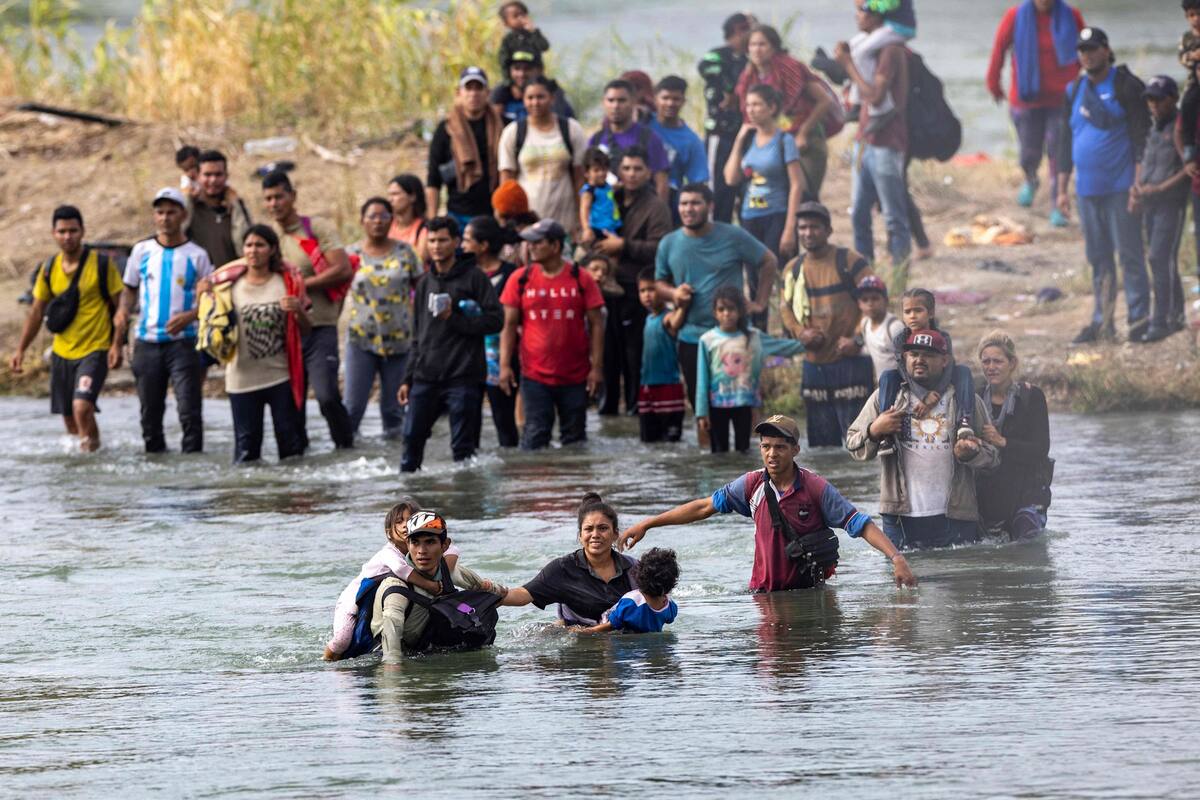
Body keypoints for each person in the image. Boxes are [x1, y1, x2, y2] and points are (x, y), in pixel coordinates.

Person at [620, 414, 918, 591]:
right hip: (763, 594)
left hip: (809, 595)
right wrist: (649, 523)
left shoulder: (815, 488)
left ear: (795, 449)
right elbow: (703, 507)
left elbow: (860, 524)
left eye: (779, 447)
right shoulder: (751, 485)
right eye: (765, 447)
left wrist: (897, 559)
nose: (772, 454)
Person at [846, 329, 999, 550]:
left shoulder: (966, 400)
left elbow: (994, 457)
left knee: (963, 572)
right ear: (904, 358)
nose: (919, 359)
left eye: (928, 355)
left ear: (945, 361)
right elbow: (853, 446)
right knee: (901, 572)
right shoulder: (886, 397)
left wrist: (972, 453)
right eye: (914, 354)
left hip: (957, 516)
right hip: (900, 518)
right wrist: (874, 430)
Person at [1056, 27, 1152, 344]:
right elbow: (1064, 142)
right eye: (1082, 50)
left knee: (1130, 256)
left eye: (1093, 48)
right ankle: (1103, 322)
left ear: (1106, 50)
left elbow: (1142, 138)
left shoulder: (1126, 86)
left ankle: (1139, 322)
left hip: (1121, 189)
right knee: (1098, 259)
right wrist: (1061, 190)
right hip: (1086, 191)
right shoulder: (1074, 90)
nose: (1086, 55)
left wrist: (1138, 185)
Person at [654, 183, 777, 418]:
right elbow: (659, 283)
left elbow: (768, 260)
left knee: (744, 409)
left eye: (695, 203)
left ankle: (749, 442)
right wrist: (674, 293)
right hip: (692, 337)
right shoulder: (669, 243)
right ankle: (707, 443)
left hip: (734, 337)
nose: (688, 209)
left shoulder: (732, 235)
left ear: (710, 206)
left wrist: (760, 302)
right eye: (683, 203)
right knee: (702, 410)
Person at [10, 206, 125, 452]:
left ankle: (90, 457)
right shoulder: (49, 268)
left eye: (73, 231)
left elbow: (120, 309)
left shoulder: (102, 264)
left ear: (82, 231)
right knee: (70, 418)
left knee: (82, 407)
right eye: (62, 231)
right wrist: (20, 350)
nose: (68, 236)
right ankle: (90, 454)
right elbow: (36, 312)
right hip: (62, 351)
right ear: (53, 234)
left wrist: (117, 344)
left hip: (95, 349)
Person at [399, 217, 503, 472]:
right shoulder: (424, 283)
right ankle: (408, 496)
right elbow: (417, 336)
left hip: (463, 376)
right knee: (410, 442)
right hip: (425, 376)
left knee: (463, 451)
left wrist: (454, 318)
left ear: (456, 242)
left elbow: (496, 320)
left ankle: (466, 496)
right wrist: (407, 378)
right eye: (432, 240)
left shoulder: (475, 278)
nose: (436, 246)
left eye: (443, 240)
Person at [262, 170, 355, 449]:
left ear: (293, 196)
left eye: (279, 197)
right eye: (268, 198)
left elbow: (343, 269)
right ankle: (298, 461)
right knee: (293, 403)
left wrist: (301, 286)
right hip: (284, 331)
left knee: (327, 396)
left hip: (320, 327)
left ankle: (346, 450)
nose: (274, 204)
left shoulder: (316, 228)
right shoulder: (268, 237)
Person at [118, 187, 213, 454]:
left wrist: (190, 315)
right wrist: (122, 316)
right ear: (154, 216)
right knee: (150, 415)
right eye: (160, 212)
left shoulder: (197, 255)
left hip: (184, 342)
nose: (165, 218)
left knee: (189, 411)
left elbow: (211, 298)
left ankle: (192, 465)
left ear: (183, 215)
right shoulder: (142, 251)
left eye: (171, 212)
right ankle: (156, 466)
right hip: (147, 342)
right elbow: (129, 289)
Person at [498, 219, 605, 450]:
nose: (531, 247)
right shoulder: (519, 279)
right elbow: (508, 325)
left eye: (537, 243)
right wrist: (504, 366)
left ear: (556, 246)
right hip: (534, 375)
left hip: (575, 376)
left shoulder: (581, 278)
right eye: (529, 243)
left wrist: (596, 368)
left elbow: (597, 324)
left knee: (575, 441)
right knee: (534, 439)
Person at [779, 202, 875, 447]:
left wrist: (857, 340)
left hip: (851, 361)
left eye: (814, 227)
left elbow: (875, 303)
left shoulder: (849, 261)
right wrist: (800, 333)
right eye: (802, 228)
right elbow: (785, 308)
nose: (808, 233)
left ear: (828, 231)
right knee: (822, 447)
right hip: (815, 364)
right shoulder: (793, 269)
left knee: (859, 442)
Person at [215, 225, 310, 463]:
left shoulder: (287, 282)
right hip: (241, 379)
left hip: (280, 377)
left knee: (291, 450)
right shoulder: (228, 286)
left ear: (272, 249)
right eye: (249, 245)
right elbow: (212, 324)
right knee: (246, 454)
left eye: (260, 245)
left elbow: (306, 331)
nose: (253, 250)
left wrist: (298, 310)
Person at [986, 0, 1085, 224]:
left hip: (1062, 99)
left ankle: (1058, 204)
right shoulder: (1014, 16)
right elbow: (999, 50)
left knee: (1058, 153)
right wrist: (994, 83)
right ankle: (1031, 179)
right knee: (1028, 152)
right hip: (1026, 99)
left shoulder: (1072, 16)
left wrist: (1088, 86)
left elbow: (1086, 52)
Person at [323, 498, 456, 661]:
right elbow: (401, 569)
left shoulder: (419, 549)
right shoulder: (388, 553)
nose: (405, 525)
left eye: (410, 519)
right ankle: (328, 661)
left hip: (380, 599)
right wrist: (431, 585)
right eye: (399, 522)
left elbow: (452, 549)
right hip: (352, 601)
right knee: (342, 639)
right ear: (388, 532)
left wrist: (445, 573)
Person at [593, 148, 673, 416]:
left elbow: (660, 247)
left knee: (634, 353)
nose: (631, 174)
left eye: (638, 169)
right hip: (606, 285)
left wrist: (624, 245)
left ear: (648, 172)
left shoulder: (656, 206)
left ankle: (636, 409)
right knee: (608, 351)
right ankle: (607, 409)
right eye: (626, 168)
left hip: (636, 288)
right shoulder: (609, 196)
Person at [372, 511, 509, 663]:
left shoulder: (448, 572)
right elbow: (391, 656)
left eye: (430, 542)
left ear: (445, 545)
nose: (422, 551)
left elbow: (498, 592)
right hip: (391, 657)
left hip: (431, 651)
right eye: (415, 542)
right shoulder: (396, 589)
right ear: (407, 545)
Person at [835, 3, 913, 268]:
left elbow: (875, 96)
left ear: (877, 14)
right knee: (858, 213)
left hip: (886, 143)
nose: (857, 16)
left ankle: (899, 276)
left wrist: (848, 65)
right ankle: (865, 275)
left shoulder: (890, 50)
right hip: (865, 140)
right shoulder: (868, 49)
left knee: (893, 216)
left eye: (862, 11)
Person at [724, 83, 804, 320]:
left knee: (786, 277)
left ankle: (793, 329)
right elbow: (730, 179)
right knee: (754, 279)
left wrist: (790, 228)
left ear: (772, 107)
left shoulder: (784, 140)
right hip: (749, 216)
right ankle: (759, 330)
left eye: (757, 104)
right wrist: (739, 140)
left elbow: (797, 185)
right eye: (748, 105)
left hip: (777, 214)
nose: (751, 109)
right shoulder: (748, 139)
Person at [343, 197, 420, 440]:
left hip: (400, 340)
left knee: (394, 412)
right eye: (372, 216)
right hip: (361, 339)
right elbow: (335, 293)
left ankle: (395, 459)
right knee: (352, 409)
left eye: (384, 216)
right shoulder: (350, 254)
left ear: (392, 220)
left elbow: (422, 289)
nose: (378, 221)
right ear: (362, 221)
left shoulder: (405, 252)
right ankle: (346, 455)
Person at [501, 493, 640, 626]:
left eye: (603, 528)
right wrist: (491, 591)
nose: (595, 534)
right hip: (577, 639)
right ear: (580, 536)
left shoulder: (634, 569)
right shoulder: (563, 569)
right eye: (588, 529)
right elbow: (522, 595)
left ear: (615, 534)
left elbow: (653, 605)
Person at [696, 287, 805, 454]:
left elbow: (782, 347)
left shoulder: (753, 337)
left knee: (744, 450)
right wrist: (702, 413)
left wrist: (807, 344)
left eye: (731, 309)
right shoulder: (707, 340)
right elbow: (702, 379)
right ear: (715, 313)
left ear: (740, 311)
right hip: (717, 404)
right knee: (718, 452)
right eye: (721, 309)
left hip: (744, 403)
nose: (726, 313)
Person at [734, 25, 835, 202]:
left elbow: (824, 101)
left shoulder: (790, 68)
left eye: (762, 44)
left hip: (805, 141)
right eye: (752, 45)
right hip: (771, 144)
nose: (757, 50)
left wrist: (803, 133)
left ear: (773, 46)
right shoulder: (749, 75)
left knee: (805, 197)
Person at [974, 331, 1053, 541]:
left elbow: (1041, 449)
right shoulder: (976, 396)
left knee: (1025, 543)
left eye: (998, 361)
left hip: (1028, 491)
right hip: (989, 494)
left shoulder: (1031, 397)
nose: (991, 367)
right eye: (986, 361)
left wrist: (1002, 442)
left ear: (1012, 363)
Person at [876, 288, 976, 449]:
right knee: (888, 376)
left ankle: (965, 421)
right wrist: (923, 394)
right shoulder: (900, 339)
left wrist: (935, 394)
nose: (912, 316)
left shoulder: (943, 337)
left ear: (931, 313)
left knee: (963, 371)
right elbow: (904, 371)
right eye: (907, 312)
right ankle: (886, 430)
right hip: (911, 377)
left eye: (918, 310)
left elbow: (948, 367)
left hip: (938, 377)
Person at [1131, 75, 1188, 342]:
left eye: (1158, 99)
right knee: (1160, 260)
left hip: (1171, 203)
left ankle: (1162, 320)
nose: (1153, 104)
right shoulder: (1154, 128)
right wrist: (1137, 188)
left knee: (1159, 258)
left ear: (1173, 99)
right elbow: (1144, 162)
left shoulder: (1181, 127)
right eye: (1150, 99)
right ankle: (1174, 315)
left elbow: (1189, 168)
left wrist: (1161, 188)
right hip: (1149, 203)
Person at [498, 76, 588, 236]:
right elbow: (507, 182)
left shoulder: (571, 129)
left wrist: (582, 222)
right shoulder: (513, 132)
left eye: (540, 97)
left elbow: (580, 178)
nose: (535, 102)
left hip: (565, 222)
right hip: (526, 225)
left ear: (552, 98)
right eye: (530, 97)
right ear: (523, 100)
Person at [462, 215, 521, 448]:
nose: (462, 245)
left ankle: (512, 467)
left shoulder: (512, 275)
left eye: (467, 240)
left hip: (502, 358)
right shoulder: (463, 273)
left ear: (483, 245)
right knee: (468, 426)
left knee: (505, 424)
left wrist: (506, 365)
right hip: (467, 359)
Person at [426, 66, 503, 228]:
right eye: (469, 88)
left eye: (479, 88)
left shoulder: (501, 126)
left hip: (494, 214)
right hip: (457, 214)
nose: (473, 93)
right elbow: (433, 179)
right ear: (459, 93)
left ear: (487, 93)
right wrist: (432, 222)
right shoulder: (446, 129)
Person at [699, 12, 754, 223]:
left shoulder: (751, 61)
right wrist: (731, 89)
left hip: (747, 134)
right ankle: (716, 232)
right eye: (748, 29)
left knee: (747, 191)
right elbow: (706, 68)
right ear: (737, 31)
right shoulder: (717, 55)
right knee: (718, 191)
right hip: (720, 134)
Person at [588, 79, 671, 201]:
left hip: (642, 208)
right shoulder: (596, 140)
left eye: (622, 100)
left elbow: (661, 183)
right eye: (611, 100)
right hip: (606, 209)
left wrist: (659, 210)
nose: (616, 106)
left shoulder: (649, 139)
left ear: (633, 102)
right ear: (603, 103)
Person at [649, 74, 710, 223]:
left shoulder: (692, 141)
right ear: (655, 99)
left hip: (670, 201)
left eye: (676, 99)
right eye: (665, 98)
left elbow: (698, 182)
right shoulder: (643, 123)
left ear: (683, 101)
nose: (670, 103)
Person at [575, 547, 679, 634]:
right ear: (671, 583)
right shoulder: (669, 605)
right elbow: (669, 620)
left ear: (639, 576)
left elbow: (609, 626)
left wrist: (584, 632)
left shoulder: (632, 602)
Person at [636, 268, 687, 443]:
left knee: (670, 441)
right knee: (648, 440)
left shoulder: (668, 317)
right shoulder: (648, 318)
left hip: (668, 388)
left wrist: (682, 305)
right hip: (647, 388)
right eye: (642, 290)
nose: (647, 295)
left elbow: (675, 322)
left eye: (651, 289)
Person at [187, 150, 253, 268]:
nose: (213, 180)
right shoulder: (189, 209)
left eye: (218, 174)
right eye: (207, 175)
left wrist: (236, 206)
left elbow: (245, 248)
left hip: (232, 277)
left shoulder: (237, 208)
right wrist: (187, 200)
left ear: (226, 176)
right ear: (197, 176)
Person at [490, 50, 576, 125]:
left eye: (527, 69)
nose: (521, 74)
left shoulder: (554, 95)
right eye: (517, 68)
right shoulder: (499, 95)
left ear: (539, 70)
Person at [855, 274, 906, 384]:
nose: (870, 304)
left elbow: (907, 359)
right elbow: (871, 349)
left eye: (875, 298)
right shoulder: (865, 324)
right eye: (865, 300)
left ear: (886, 300)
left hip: (899, 384)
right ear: (859, 304)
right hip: (881, 384)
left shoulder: (894, 327)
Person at [578, 147, 622, 246]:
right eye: (596, 170)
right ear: (587, 173)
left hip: (611, 226)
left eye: (604, 169)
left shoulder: (606, 186)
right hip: (598, 229)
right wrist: (586, 229)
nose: (601, 173)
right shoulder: (589, 191)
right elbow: (584, 210)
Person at [386, 174, 430, 263]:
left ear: (412, 196)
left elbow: (419, 261)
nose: (390, 199)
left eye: (395, 194)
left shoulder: (425, 228)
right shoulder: (386, 225)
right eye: (389, 195)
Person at [497, 1, 550, 71]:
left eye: (523, 15)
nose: (520, 18)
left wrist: (533, 31)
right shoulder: (508, 40)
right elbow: (503, 61)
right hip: (516, 76)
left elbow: (544, 47)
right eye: (515, 16)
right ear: (506, 23)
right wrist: (509, 77)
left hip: (535, 75)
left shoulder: (533, 35)